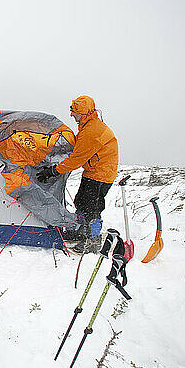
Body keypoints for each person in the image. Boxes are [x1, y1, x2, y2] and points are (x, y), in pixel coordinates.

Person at [36, 96, 118, 253]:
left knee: (92, 208)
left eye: (74, 112)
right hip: (93, 172)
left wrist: (53, 171)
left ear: (83, 112)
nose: (72, 115)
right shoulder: (88, 125)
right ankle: (81, 232)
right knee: (81, 201)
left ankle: (93, 241)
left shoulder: (92, 130)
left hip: (101, 175)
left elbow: (76, 160)